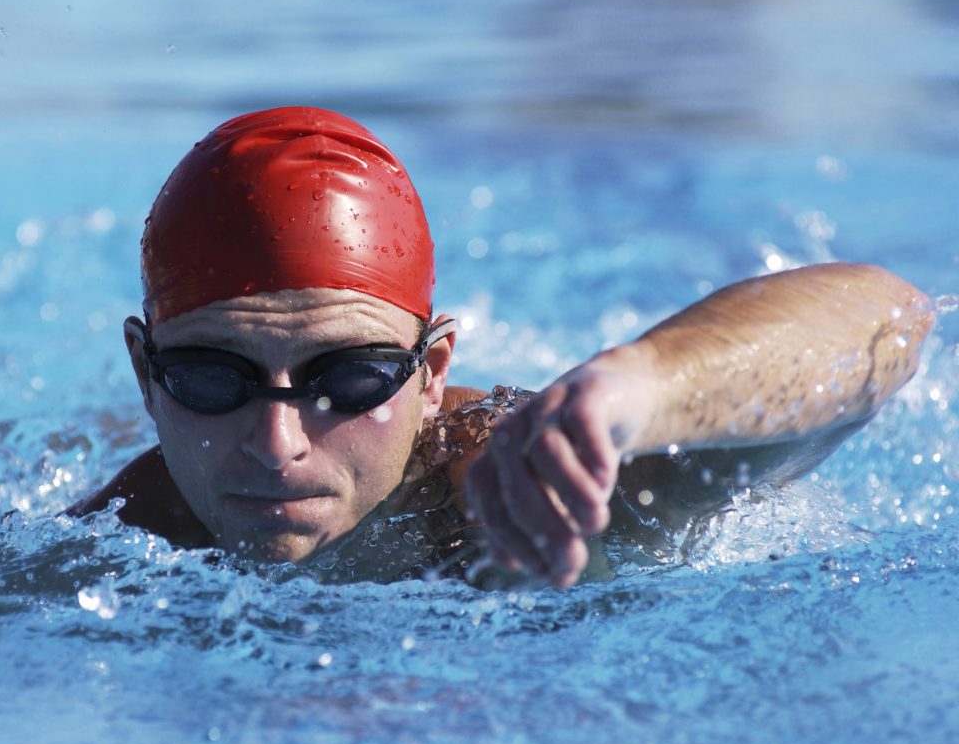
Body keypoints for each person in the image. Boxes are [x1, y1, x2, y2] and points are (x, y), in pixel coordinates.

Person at [69, 106, 934, 587]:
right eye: (212, 380)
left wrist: (635, 390)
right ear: (147, 376)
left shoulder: (513, 493)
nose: (276, 443)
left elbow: (887, 317)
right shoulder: (116, 541)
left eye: (353, 378)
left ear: (431, 371)